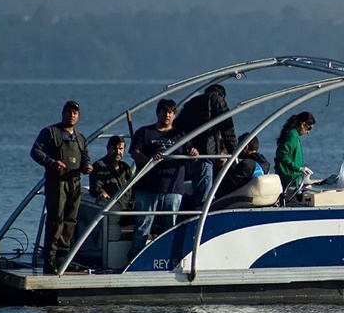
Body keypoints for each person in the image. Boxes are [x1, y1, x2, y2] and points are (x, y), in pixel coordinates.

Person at [30, 100, 94, 274]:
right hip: (56, 182)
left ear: (78, 116)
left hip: (74, 182)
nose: (72, 116)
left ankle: (63, 258)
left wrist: (87, 167)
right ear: (63, 114)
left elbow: (85, 158)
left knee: (70, 221)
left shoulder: (80, 138)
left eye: (75, 113)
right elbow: (35, 151)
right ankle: (49, 260)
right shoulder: (50, 132)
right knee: (55, 220)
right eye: (69, 112)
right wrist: (51, 162)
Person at [128, 99, 198, 258]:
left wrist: (194, 153)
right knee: (143, 226)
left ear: (174, 115)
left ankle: (167, 258)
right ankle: (134, 258)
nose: (168, 115)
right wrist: (149, 159)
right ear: (158, 113)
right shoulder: (144, 132)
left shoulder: (181, 135)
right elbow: (135, 153)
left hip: (173, 188)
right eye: (165, 111)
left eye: (171, 112)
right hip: (147, 188)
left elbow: (191, 154)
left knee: (169, 226)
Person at [175, 84, 237, 209]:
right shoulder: (217, 100)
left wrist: (188, 147)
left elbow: (178, 127)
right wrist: (235, 152)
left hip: (190, 153)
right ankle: (202, 215)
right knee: (204, 190)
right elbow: (227, 128)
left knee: (198, 185)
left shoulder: (191, 103)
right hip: (206, 154)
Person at [89, 134, 136, 216]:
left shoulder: (125, 167)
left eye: (121, 149)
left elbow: (132, 186)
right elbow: (95, 187)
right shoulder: (99, 166)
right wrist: (101, 192)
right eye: (114, 149)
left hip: (128, 208)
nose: (118, 152)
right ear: (108, 148)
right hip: (112, 209)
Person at [215, 133, 271, 198]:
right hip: (261, 196)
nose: (237, 149)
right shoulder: (265, 163)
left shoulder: (246, 164)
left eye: (238, 145)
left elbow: (229, 186)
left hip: (245, 198)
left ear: (245, 147)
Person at [274, 111, 315, 189]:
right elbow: (282, 155)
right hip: (288, 180)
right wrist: (299, 168)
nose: (308, 132)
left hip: (294, 179)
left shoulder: (295, 136)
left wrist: (302, 171)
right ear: (303, 124)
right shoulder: (292, 136)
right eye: (309, 128)